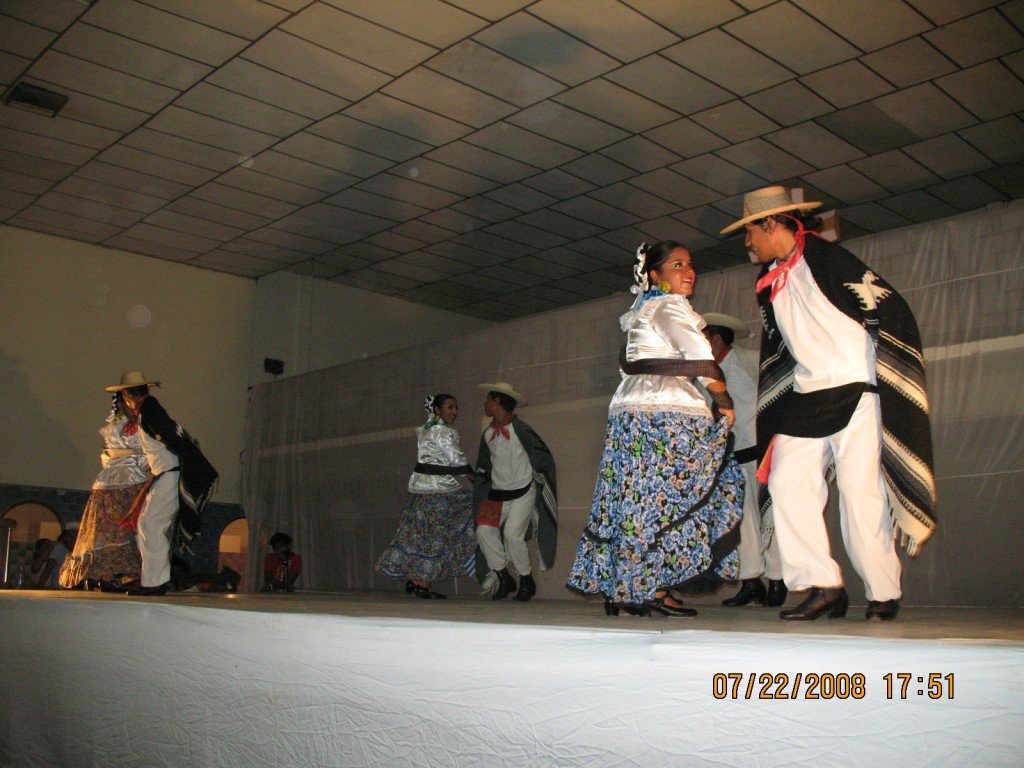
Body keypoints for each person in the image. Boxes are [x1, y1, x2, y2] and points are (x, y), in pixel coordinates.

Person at [721, 186, 937, 621]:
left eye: (750, 232)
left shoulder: (829, 259)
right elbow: (780, 351)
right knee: (785, 483)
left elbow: (888, 309)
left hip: (855, 389)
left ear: (771, 224)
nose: (747, 243)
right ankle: (823, 586)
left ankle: (882, 592)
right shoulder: (769, 284)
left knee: (861, 494)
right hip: (806, 395)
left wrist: (881, 369)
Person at [566, 241, 743, 617]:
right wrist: (724, 402)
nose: (688, 271)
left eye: (690, 264)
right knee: (668, 499)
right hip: (663, 415)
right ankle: (639, 587)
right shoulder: (667, 305)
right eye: (677, 265)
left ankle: (636, 587)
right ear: (655, 276)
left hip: (635, 415)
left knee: (639, 502)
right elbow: (700, 357)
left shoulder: (644, 310)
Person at [701, 313, 786, 608]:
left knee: (771, 519)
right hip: (732, 459)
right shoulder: (704, 375)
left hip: (765, 454)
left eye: (703, 336)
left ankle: (777, 580)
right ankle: (751, 583)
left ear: (716, 338)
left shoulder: (751, 360)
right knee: (742, 524)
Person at [106, 371, 218, 596]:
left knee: (151, 525)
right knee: (150, 525)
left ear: (127, 393)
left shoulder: (150, 410)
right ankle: (155, 580)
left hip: (170, 474)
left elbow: (171, 439)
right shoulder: (148, 411)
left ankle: (155, 582)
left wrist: (194, 462)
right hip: (166, 474)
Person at [376, 393, 477, 599]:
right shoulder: (441, 431)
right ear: (437, 410)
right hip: (438, 491)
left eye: (456, 407)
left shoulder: (426, 429)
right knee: (437, 534)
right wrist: (475, 478)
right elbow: (456, 459)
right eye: (449, 407)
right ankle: (423, 582)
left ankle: (416, 581)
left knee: (419, 535)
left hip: (419, 491)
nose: (454, 412)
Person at [473, 382, 557, 602]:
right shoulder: (488, 433)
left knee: (512, 535)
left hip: (522, 493)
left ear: (498, 401)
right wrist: (479, 479)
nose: (486, 404)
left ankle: (526, 580)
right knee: (483, 531)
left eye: (489, 399)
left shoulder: (521, 429)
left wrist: (540, 477)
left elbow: (542, 456)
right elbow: (484, 464)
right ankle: (502, 575)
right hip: (497, 495)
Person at [59, 393, 148, 590]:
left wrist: (123, 455)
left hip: (114, 483)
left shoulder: (127, 425)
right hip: (124, 485)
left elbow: (110, 456)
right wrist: (135, 455)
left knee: (112, 532)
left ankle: (110, 576)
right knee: (121, 531)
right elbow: (136, 459)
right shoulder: (129, 426)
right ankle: (112, 576)